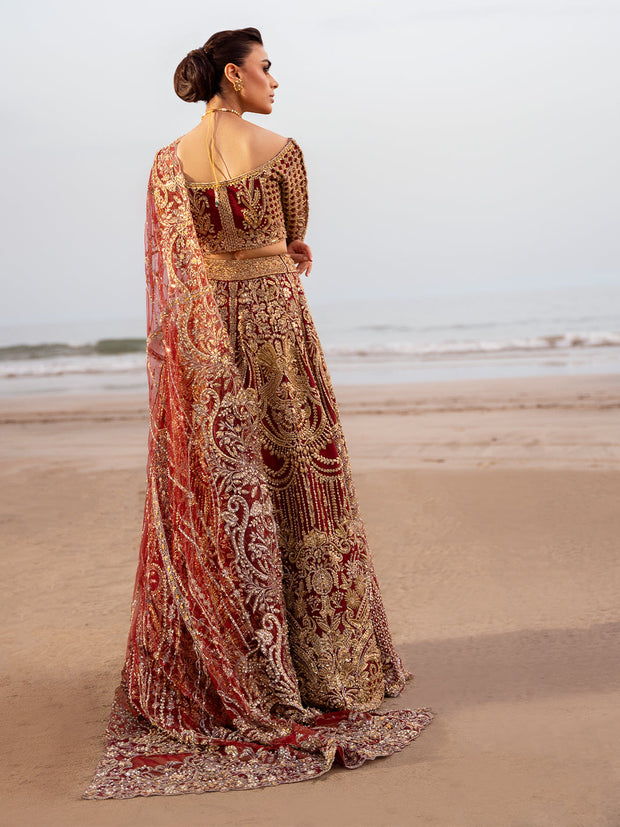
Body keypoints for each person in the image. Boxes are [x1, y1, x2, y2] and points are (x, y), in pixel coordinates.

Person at [84, 27, 432, 800]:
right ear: (235, 76)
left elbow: (178, 266)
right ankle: (332, 668)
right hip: (277, 333)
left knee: (228, 498)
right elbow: (296, 237)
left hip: (208, 345)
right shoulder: (283, 152)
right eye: (267, 67)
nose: (277, 79)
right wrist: (284, 253)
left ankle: (239, 663)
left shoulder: (165, 163)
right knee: (303, 487)